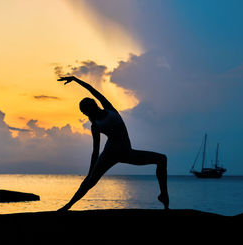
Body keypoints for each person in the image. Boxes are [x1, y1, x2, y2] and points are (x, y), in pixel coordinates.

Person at [57, 76, 169, 211]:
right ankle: (68, 206)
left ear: (92, 106)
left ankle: (163, 195)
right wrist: (90, 172)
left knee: (162, 159)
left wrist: (75, 79)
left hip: (127, 152)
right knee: (90, 181)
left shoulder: (109, 109)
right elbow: (95, 151)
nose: (86, 113)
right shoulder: (96, 125)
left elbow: (92, 90)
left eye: (85, 111)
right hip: (110, 155)